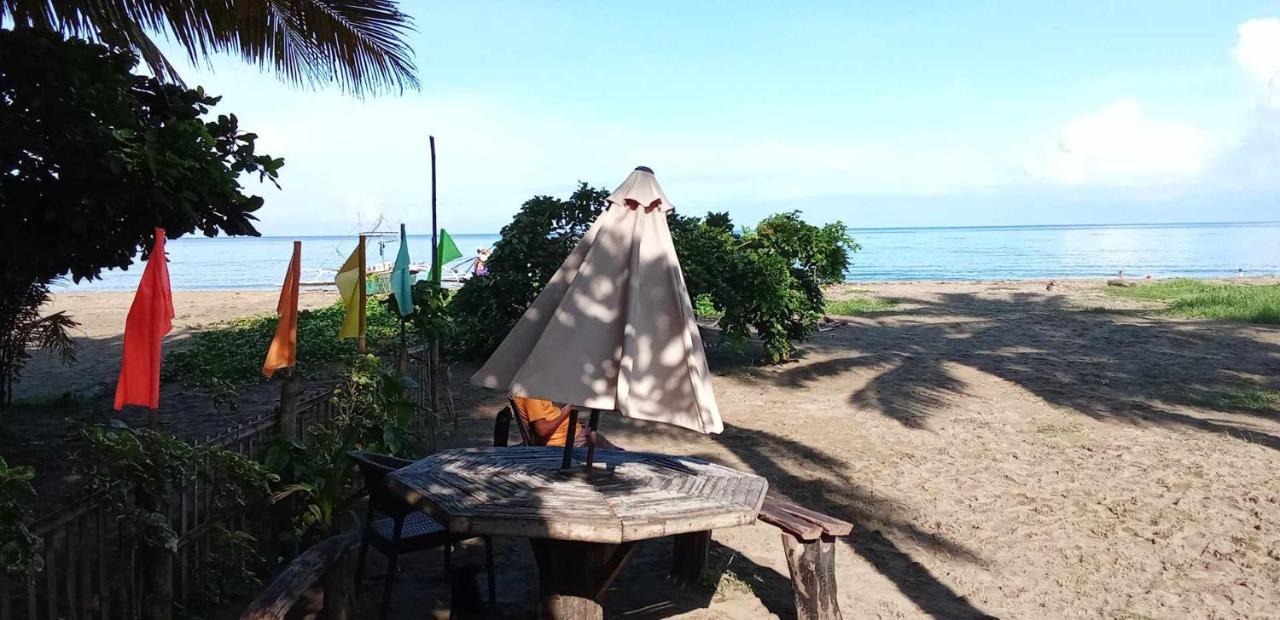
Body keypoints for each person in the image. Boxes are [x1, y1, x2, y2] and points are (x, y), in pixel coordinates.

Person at [509, 394, 617, 449]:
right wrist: (566, 412)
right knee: (615, 453)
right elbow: (542, 430)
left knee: (601, 441)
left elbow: (545, 417)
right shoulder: (531, 395)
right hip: (563, 439)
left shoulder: (529, 390)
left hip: (568, 433)